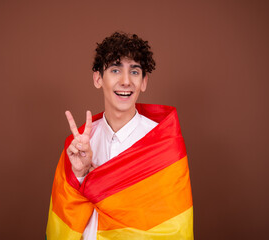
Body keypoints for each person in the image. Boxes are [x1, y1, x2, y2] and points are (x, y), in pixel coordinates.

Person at [46, 32, 193, 240]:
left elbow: (174, 228)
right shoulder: (77, 145)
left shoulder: (163, 144)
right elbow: (63, 223)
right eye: (115, 70)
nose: (126, 81)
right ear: (98, 78)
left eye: (134, 72)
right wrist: (79, 174)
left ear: (144, 82)